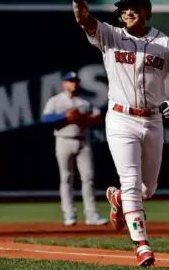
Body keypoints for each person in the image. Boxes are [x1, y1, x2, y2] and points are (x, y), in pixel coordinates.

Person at [66, 0, 169, 267]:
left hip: (153, 119)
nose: (128, 11)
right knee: (133, 182)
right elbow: (84, 20)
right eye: (123, 8)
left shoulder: (164, 43)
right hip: (121, 119)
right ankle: (141, 245)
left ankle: (119, 198)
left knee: (148, 189)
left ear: (146, 11)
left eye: (134, 6)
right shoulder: (111, 35)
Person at [41, 71, 108, 227]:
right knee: (66, 178)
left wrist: (83, 118)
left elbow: (98, 117)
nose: (74, 83)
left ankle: (92, 214)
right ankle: (69, 214)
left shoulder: (84, 101)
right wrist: (65, 117)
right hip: (63, 140)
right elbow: (46, 118)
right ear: (64, 84)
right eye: (70, 81)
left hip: (83, 141)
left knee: (88, 178)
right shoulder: (55, 101)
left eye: (75, 81)